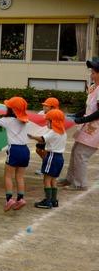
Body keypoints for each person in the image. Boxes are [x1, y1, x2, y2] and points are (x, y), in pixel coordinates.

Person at [59, 60, 99, 191]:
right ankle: (70, 179)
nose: (91, 75)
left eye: (94, 72)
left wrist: (81, 120)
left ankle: (80, 184)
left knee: (81, 154)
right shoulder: (94, 87)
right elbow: (88, 107)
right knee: (75, 151)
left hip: (95, 128)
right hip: (87, 125)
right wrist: (76, 115)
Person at [0, 97, 30, 211]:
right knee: (20, 176)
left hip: (14, 150)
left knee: (8, 176)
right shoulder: (25, 120)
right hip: (25, 150)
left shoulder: (8, 120)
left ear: (13, 109)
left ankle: (9, 199)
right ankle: (20, 199)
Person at [29, 109, 66, 209]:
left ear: (53, 121)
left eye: (48, 121)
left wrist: (32, 136)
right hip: (59, 157)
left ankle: (47, 201)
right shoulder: (63, 132)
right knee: (53, 179)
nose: (46, 123)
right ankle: (54, 200)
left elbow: (42, 139)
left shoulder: (53, 132)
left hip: (52, 156)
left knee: (46, 179)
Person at [34, 97, 59, 175]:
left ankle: (45, 168)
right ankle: (47, 164)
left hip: (50, 138)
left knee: (45, 152)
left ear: (52, 107)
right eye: (44, 105)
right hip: (42, 137)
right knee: (38, 150)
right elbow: (35, 120)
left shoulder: (56, 115)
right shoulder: (41, 113)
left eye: (46, 106)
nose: (44, 107)